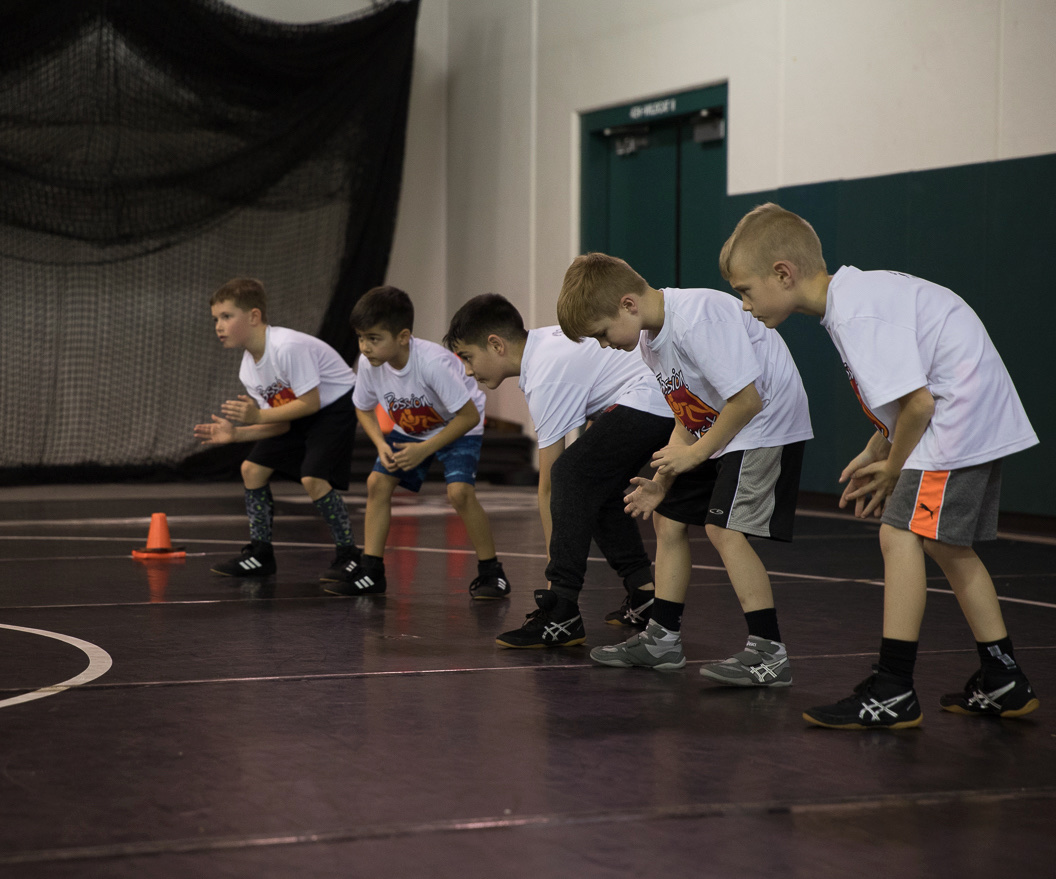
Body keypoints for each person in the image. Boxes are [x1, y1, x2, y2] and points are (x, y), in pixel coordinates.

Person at [720, 202, 1040, 727]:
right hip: (967, 411)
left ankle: (894, 688)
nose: (746, 306)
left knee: (899, 537)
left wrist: (894, 465)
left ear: (783, 273)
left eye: (745, 291)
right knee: (944, 544)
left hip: (955, 417)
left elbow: (919, 404)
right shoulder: (853, 298)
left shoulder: (856, 312)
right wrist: (879, 445)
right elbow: (907, 395)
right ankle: (1002, 676)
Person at [557, 253, 813, 688]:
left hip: (766, 423)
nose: (603, 345)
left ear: (627, 304)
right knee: (668, 518)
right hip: (727, 423)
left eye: (601, 334)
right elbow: (686, 412)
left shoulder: (697, 318)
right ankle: (661, 639)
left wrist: (694, 457)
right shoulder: (650, 340)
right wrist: (662, 482)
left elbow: (747, 401)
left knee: (724, 531)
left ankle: (769, 653)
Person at [444, 293, 676, 648]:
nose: (468, 370)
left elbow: (551, 486)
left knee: (571, 475)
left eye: (468, 358)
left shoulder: (545, 373)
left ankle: (562, 613)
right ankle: (644, 596)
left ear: (496, 344)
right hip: (661, 396)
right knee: (597, 487)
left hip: (656, 397)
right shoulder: (544, 347)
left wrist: (556, 584)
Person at [328, 285, 510, 598]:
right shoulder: (369, 365)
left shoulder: (432, 364)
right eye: (360, 337)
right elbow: (362, 407)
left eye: (373, 338)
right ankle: (372, 571)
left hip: (458, 424)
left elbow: (467, 417)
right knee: (377, 483)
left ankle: (492, 572)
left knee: (460, 493)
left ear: (402, 336)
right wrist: (382, 444)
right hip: (412, 428)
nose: (365, 346)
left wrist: (425, 449)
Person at [194, 277, 360, 583]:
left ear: (254, 316)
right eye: (216, 319)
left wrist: (256, 414)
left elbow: (310, 403)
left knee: (313, 477)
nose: (218, 326)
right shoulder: (248, 368)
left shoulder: (287, 347)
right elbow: (281, 422)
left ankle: (350, 555)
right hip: (301, 411)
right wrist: (236, 435)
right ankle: (261, 554)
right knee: (251, 469)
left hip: (336, 405)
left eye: (227, 317)